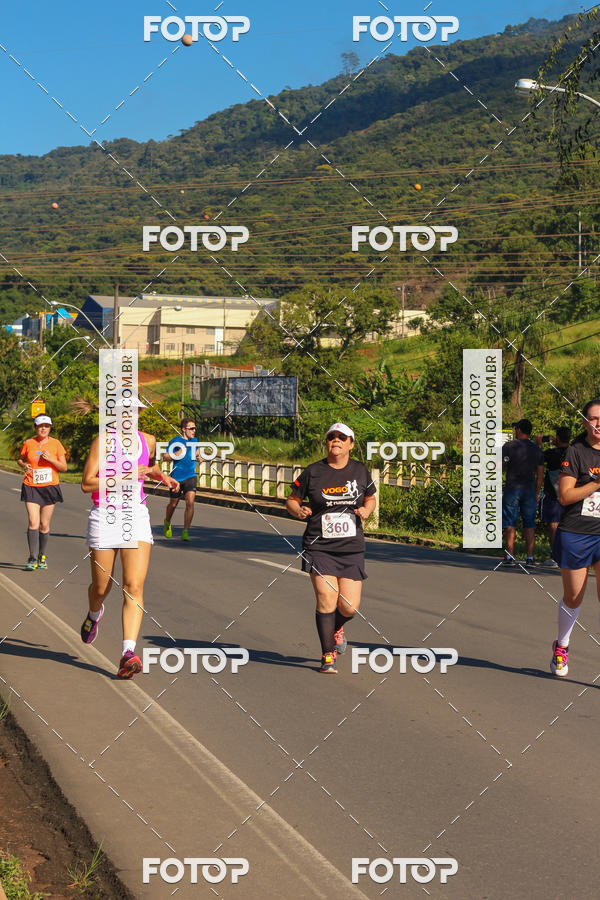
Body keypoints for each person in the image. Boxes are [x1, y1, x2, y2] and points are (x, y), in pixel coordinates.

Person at [80, 403, 179, 679]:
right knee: (102, 587)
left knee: (133, 585)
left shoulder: (148, 440)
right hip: (105, 516)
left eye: (134, 411)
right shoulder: (102, 441)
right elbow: (87, 483)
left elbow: (147, 467)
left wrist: (162, 476)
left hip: (135, 515)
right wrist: (124, 477)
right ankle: (94, 613)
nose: (129, 415)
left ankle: (128, 653)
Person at [285, 423, 377, 674]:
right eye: (331, 437)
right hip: (319, 546)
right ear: (326, 442)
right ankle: (328, 654)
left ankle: (337, 627)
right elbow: (292, 500)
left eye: (342, 437)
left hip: (351, 547)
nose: (336, 440)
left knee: (349, 606)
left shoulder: (360, 470)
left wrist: (367, 510)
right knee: (326, 599)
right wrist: (298, 510)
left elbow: (370, 498)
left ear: (351, 444)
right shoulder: (313, 471)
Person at [550, 400, 600, 677]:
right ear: (585, 422)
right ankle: (562, 644)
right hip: (577, 533)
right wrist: (595, 483)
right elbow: (565, 496)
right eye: (593, 419)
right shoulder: (575, 452)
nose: (598, 424)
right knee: (573, 597)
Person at [17, 414, 67, 570]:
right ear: (35, 427)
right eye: (40, 426)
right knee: (33, 521)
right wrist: (24, 465)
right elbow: (20, 459)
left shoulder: (56, 444)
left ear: (50, 428)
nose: (43, 428)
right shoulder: (29, 443)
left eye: (46, 426)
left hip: (49, 487)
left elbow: (64, 468)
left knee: (44, 525)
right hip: (31, 485)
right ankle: (32, 558)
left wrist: (51, 459)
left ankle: (41, 556)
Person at [501, 418, 544, 568]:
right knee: (530, 524)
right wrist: (536, 493)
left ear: (518, 430)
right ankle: (530, 558)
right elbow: (540, 475)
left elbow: (499, 466)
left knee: (510, 522)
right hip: (529, 490)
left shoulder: (508, 446)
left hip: (512, 489)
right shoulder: (537, 449)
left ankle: (510, 556)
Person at [538, 426, 571, 567]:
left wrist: (538, 444)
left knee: (553, 525)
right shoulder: (574, 452)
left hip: (552, 494)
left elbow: (536, 459)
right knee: (569, 526)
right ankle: (568, 556)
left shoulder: (551, 453)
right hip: (571, 494)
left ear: (557, 438)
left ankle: (554, 556)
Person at [163, 418, 199, 542]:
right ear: (184, 429)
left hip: (191, 476)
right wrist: (177, 453)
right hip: (176, 478)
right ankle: (167, 522)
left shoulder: (194, 440)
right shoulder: (175, 441)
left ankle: (185, 531)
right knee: (173, 504)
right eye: (191, 428)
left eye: (195, 428)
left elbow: (195, 451)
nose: (194, 431)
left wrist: (198, 455)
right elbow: (165, 457)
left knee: (190, 502)